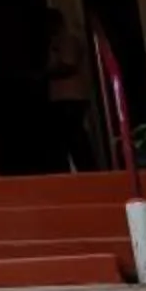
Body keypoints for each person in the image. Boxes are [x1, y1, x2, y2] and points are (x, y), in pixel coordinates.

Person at [45, 9, 96, 171]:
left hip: (72, 97)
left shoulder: (68, 41)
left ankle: (88, 171)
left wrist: (45, 74)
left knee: (76, 138)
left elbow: (68, 66)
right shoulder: (53, 43)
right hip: (60, 98)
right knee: (66, 139)